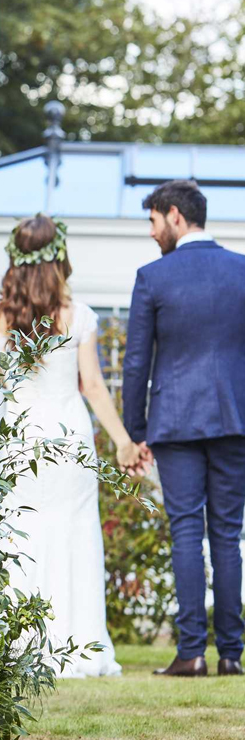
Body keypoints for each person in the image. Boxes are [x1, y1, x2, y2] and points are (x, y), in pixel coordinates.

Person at [0, 214, 139, 677]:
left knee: (16, 533)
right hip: (68, 438)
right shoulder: (78, 315)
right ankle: (78, 643)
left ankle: (16, 642)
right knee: (73, 533)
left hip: (18, 438)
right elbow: (92, 386)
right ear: (60, 257)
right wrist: (123, 442)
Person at [123, 180, 245, 678]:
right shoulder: (242, 271)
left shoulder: (152, 277)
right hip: (236, 421)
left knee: (187, 530)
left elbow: (135, 363)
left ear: (175, 215)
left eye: (153, 222)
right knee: (228, 534)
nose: (151, 234)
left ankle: (192, 652)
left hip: (174, 422)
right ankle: (232, 655)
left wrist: (135, 430)